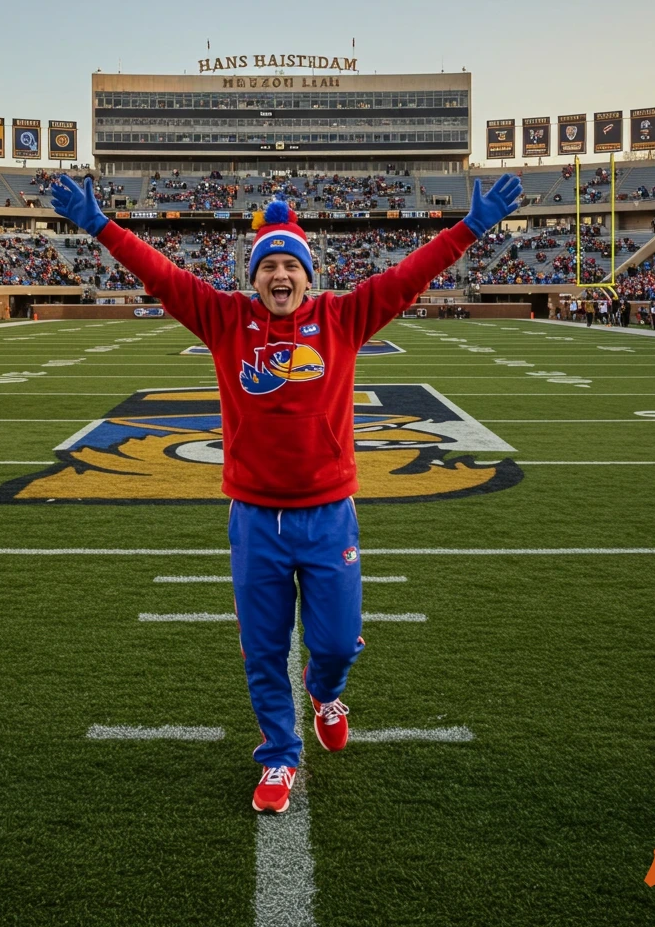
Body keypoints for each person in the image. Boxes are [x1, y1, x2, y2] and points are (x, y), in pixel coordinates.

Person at [51, 172, 522, 814]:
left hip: (328, 514)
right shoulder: (225, 320)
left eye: (289, 265)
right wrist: (102, 227)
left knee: (333, 643)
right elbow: (162, 275)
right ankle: (278, 755)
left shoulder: (342, 317)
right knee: (264, 649)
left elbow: (409, 276)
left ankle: (326, 692)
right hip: (253, 519)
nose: (280, 275)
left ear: (308, 275)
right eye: (268, 264)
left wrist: (468, 228)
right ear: (255, 275)